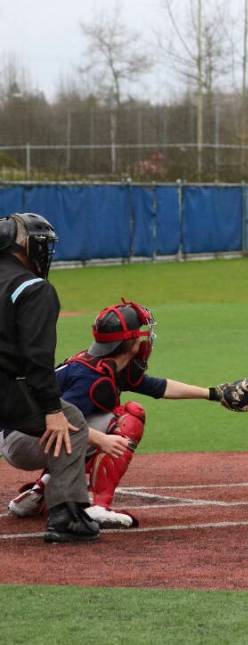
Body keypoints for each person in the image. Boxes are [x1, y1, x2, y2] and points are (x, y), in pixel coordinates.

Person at [4, 299, 248, 529]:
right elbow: (56, 421)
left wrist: (214, 393)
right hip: (24, 437)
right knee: (127, 419)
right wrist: (101, 440)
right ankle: (98, 507)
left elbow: (159, 387)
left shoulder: (110, 365)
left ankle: (39, 493)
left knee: (102, 422)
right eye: (141, 333)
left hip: (25, 434)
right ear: (130, 343)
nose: (146, 337)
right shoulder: (90, 378)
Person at [0, 212, 100, 543]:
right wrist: (51, 410)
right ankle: (66, 515)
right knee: (70, 420)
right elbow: (36, 358)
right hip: (8, 389)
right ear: (25, 246)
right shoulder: (33, 287)